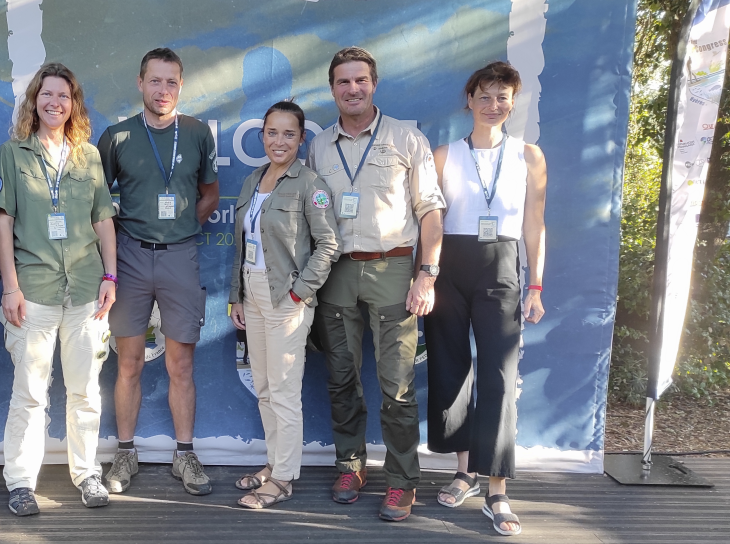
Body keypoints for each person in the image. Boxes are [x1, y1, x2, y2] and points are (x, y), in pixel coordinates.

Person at [306, 46, 445, 522]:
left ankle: (402, 481)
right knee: (341, 378)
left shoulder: (406, 137)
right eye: (343, 82)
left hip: (394, 269)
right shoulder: (320, 145)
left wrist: (426, 274)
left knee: (398, 386)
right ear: (332, 89)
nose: (352, 89)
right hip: (337, 273)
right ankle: (350, 465)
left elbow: (430, 211)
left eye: (360, 80)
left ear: (374, 83)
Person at [426, 61, 547, 537]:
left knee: (499, 376)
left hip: (502, 267)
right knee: (451, 370)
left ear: (513, 102)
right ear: (469, 99)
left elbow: (535, 224)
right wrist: (426, 275)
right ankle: (464, 472)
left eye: (503, 96)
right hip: (450, 267)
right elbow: (430, 224)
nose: (493, 104)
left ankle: (497, 488)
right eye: (485, 95)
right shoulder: (444, 155)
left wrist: (535, 284)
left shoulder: (530, 157)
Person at [0, 63, 119, 517]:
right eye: (46, 94)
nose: (54, 103)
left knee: (85, 391)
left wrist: (111, 276)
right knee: (29, 392)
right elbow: (2, 224)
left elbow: (103, 220)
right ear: (34, 100)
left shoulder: (88, 156)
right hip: (34, 290)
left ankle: (87, 474)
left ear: (73, 104)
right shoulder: (13, 154)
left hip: (86, 290)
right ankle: (22, 482)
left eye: (63, 96)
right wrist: (10, 287)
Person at [96, 47, 220, 496]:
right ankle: (125, 452)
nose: (163, 89)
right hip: (128, 257)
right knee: (128, 362)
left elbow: (210, 193)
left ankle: (184, 454)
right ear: (140, 83)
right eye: (155, 80)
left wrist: (182, 227)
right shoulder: (117, 137)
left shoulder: (197, 132)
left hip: (180, 256)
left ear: (180, 85)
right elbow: (96, 203)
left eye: (171, 82)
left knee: (180, 363)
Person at [227, 101, 340, 509]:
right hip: (252, 294)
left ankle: (284, 479)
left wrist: (300, 292)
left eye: (288, 134)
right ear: (262, 137)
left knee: (284, 391)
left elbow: (329, 245)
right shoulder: (253, 180)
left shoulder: (311, 184)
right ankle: (274, 464)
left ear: (301, 138)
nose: (279, 141)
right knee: (263, 388)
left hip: (286, 297)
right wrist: (236, 296)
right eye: (272, 133)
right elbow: (241, 246)